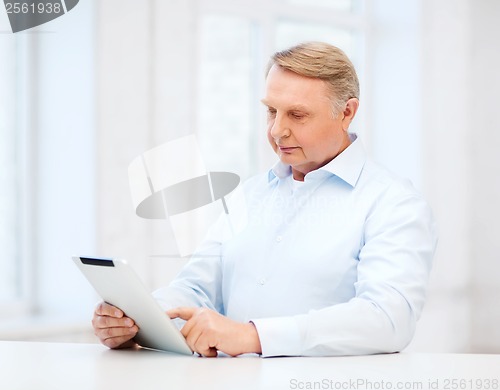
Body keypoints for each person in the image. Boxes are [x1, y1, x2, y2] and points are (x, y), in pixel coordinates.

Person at [92, 42, 437, 357]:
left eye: (297, 115)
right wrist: (138, 319)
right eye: (272, 111)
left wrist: (253, 336)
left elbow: (389, 319)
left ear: (347, 112)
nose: (276, 130)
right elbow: (197, 287)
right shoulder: (251, 194)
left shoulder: (393, 202)